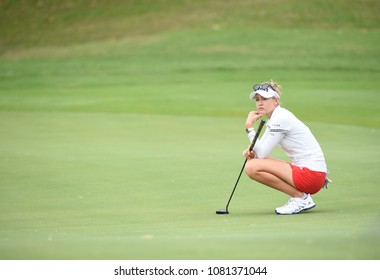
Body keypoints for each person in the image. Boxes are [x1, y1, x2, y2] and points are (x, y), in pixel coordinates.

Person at [243, 80, 330, 215]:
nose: (260, 103)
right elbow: (259, 151)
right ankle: (300, 197)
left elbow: (262, 154)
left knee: (251, 167)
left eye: (265, 99)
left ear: (276, 101)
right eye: (257, 99)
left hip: (311, 175)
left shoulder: (281, 118)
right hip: (310, 173)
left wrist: (249, 127)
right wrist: (252, 151)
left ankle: (300, 198)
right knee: (252, 163)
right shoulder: (276, 118)